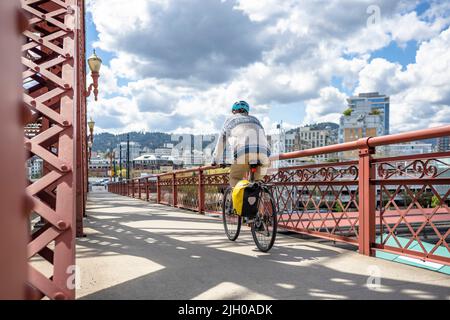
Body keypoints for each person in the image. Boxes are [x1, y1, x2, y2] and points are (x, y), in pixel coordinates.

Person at [212, 101, 271, 187]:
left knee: (235, 178)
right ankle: (258, 195)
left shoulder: (230, 120)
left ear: (234, 111)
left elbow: (221, 141)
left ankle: (239, 199)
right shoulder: (256, 120)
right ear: (247, 111)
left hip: (244, 152)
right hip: (265, 152)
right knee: (257, 183)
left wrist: (215, 160)